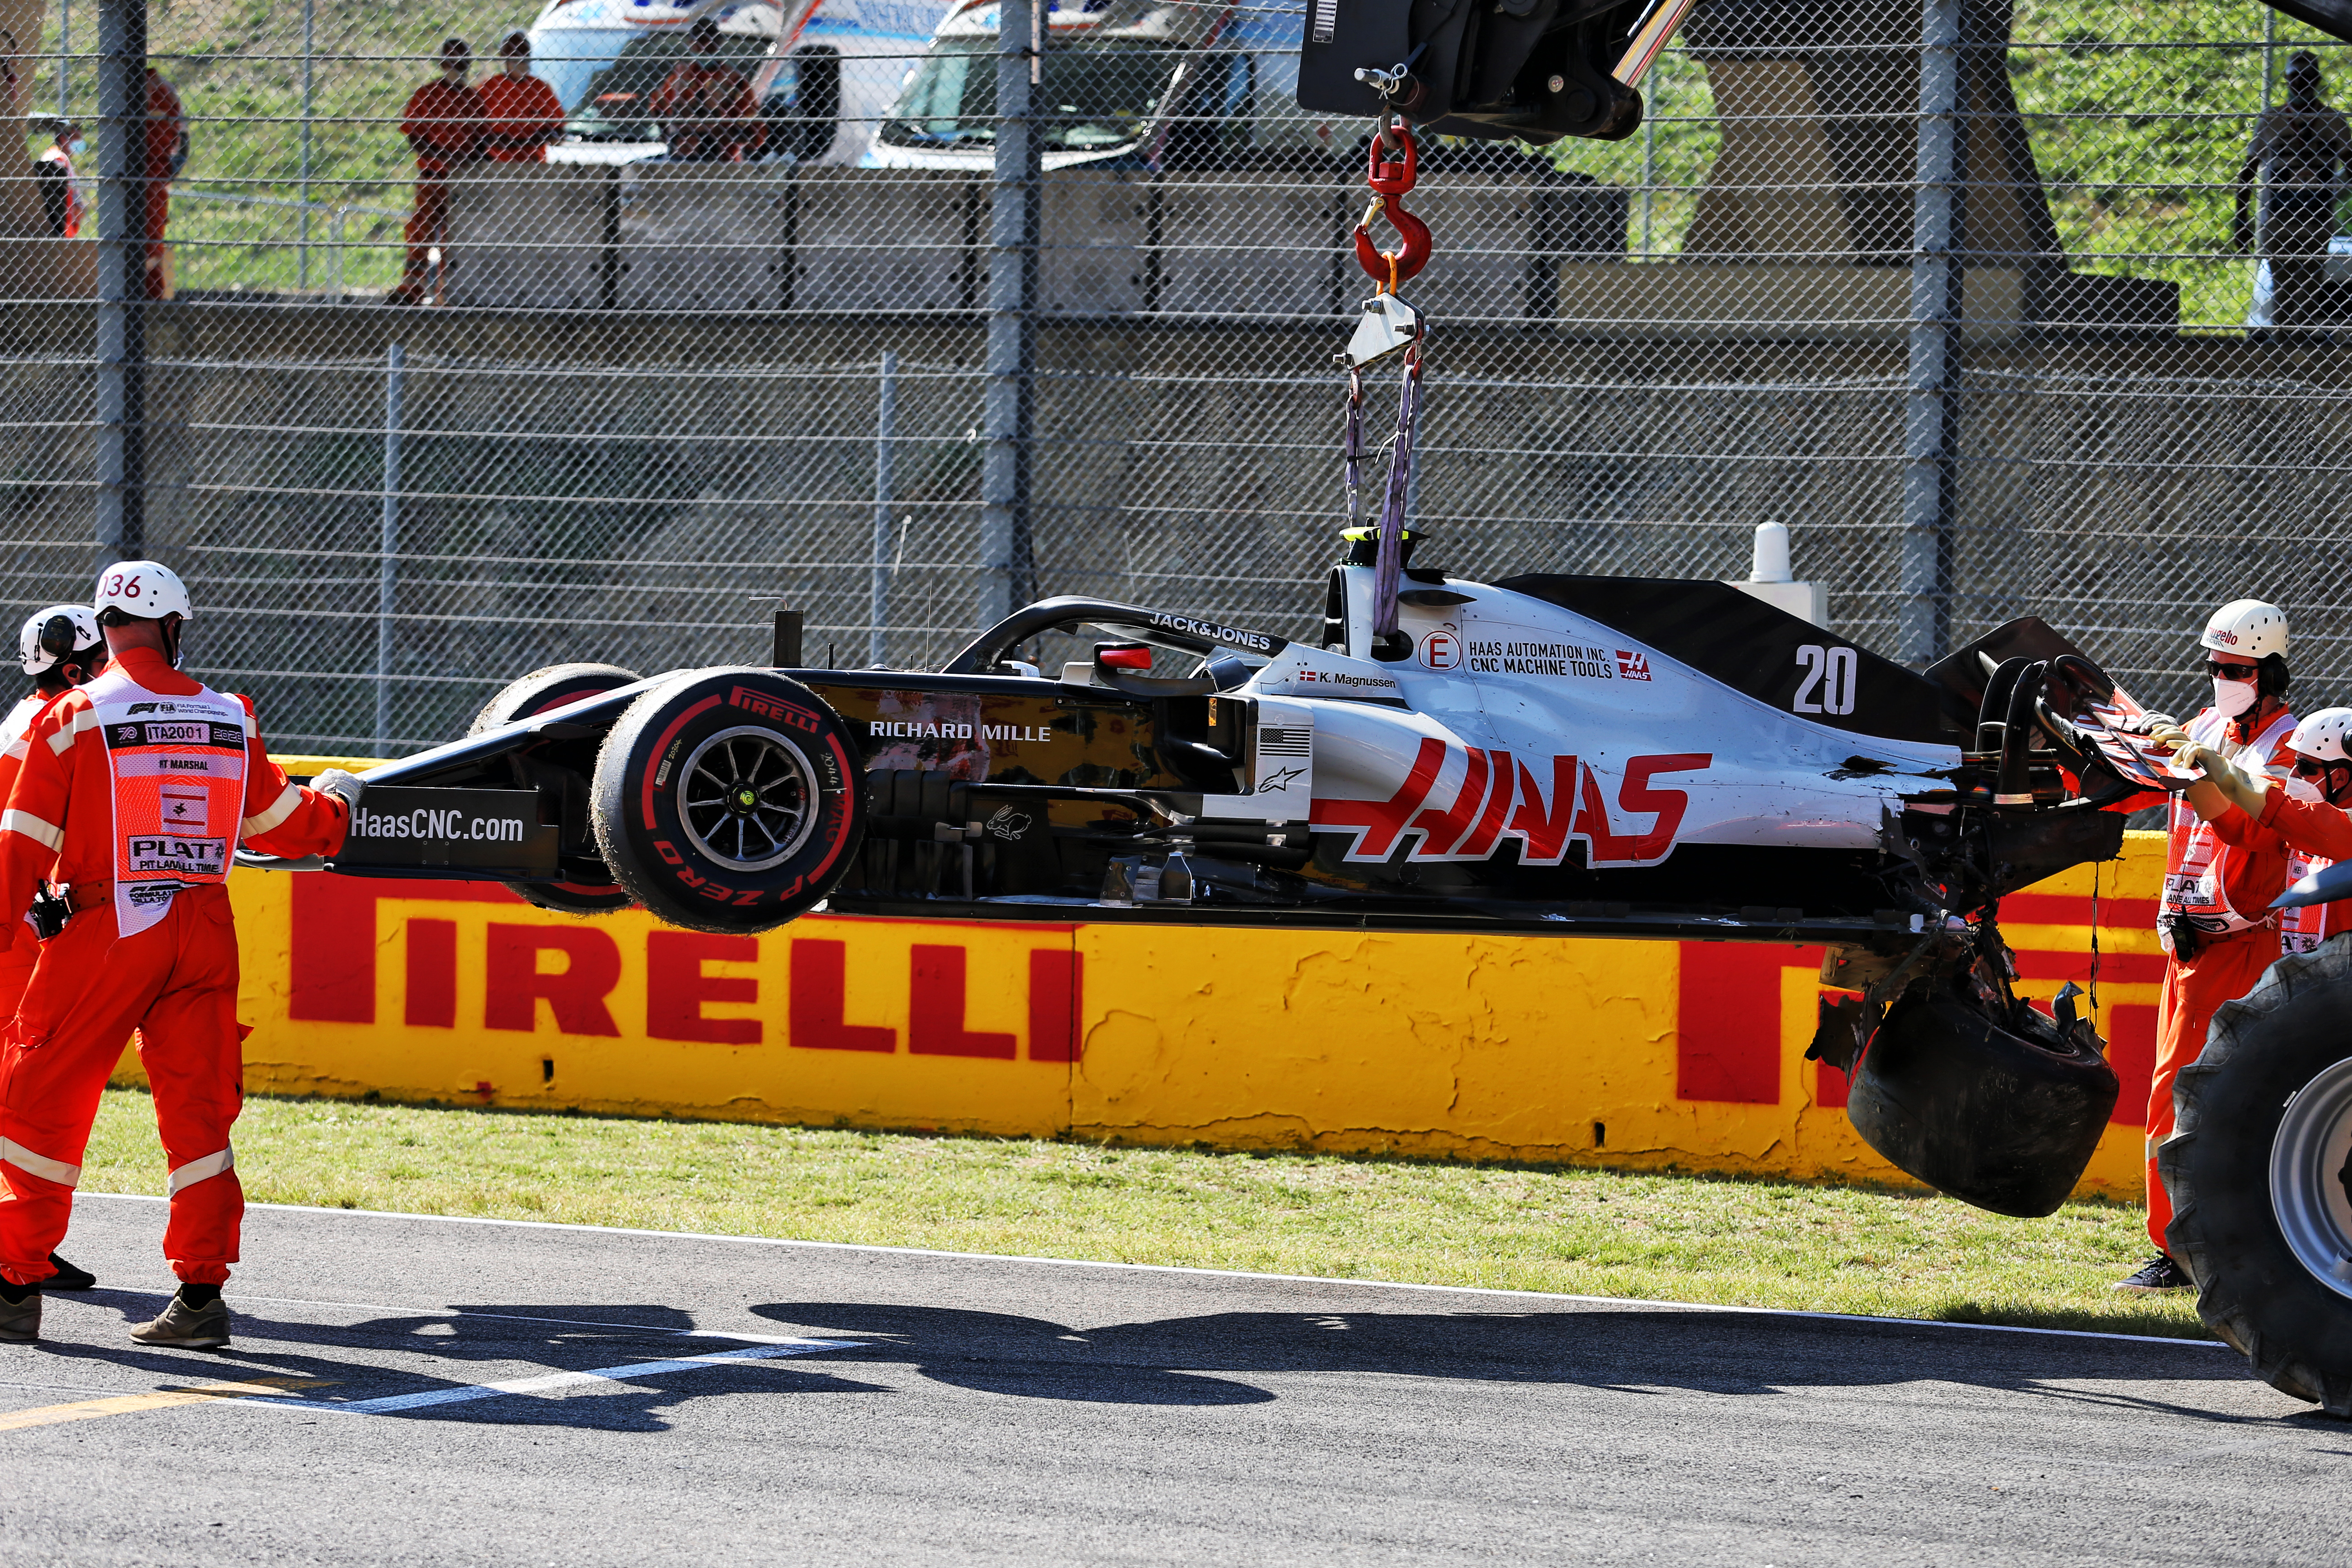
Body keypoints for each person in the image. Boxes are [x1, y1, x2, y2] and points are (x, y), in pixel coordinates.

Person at [0, 563, 351, 1348]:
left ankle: (11, 1284)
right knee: (199, 1116)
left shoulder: (71, 716)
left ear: (105, 626)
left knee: (39, 1100)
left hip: (105, 931)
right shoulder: (231, 716)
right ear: (174, 625)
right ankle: (199, 1297)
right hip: (203, 928)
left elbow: (19, 846)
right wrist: (340, 808)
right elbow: (287, 825)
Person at [2109, 599, 2298, 1295]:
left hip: (2249, 942)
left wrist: (2209, 778)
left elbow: (2259, 837)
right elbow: (2140, 788)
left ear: (2270, 672)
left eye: (2237, 669)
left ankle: (2195, 1247)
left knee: (2214, 1101)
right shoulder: (2203, 726)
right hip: (2189, 945)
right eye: (2214, 666)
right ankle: (2178, 1244)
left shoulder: (2288, 747)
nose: (2222, 678)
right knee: (2171, 1098)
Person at [0, 607, 108, 1297]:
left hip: (21, 919)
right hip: (11, 925)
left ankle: (27, 1243)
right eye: (102, 663)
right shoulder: (43, 729)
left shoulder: (35, 721)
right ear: (73, 669)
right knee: (21, 1090)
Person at [2176, 708, 2352, 955]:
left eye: (2305, 767)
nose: (2294, 775)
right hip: (2312, 973)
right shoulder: (2304, 811)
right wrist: (2196, 776)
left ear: (2342, 777)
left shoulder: (2326, 822)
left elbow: (2297, 816)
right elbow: (2243, 824)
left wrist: (2226, 772)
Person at [2236, 52, 2352, 333]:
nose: (2301, 84)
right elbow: (2248, 172)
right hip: (2278, 220)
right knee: (2284, 292)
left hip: (2316, 219)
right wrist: (2242, 221)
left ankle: (2296, 350)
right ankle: (2285, 351)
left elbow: (2351, 167)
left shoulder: (2333, 121)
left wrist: (2331, 190)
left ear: (2316, 81)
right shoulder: (2273, 118)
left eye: (2307, 78)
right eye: (2296, 78)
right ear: (2287, 80)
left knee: (2309, 294)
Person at [393, 39, 487, 306]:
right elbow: (414, 135)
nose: (458, 67)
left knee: (456, 238)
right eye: (453, 61)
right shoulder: (428, 94)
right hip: (433, 176)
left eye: (463, 62)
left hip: (462, 182)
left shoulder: (472, 99)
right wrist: (443, 154)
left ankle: (447, 294)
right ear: (443, 63)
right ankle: (413, 288)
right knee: (421, 232)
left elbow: (483, 141)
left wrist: (464, 159)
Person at [647, 17, 763, 162]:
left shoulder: (734, 81)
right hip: (681, 158)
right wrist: (670, 134)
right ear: (691, 44)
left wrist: (722, 130)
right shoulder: (678, 78)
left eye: (710, 41)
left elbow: (753, 127)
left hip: (723, 158)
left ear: (718, 43)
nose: (705, 46)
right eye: (700, 41)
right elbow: (658, 107)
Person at [481, 31, 565, 164]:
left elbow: (558, 130)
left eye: (524, 52)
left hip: (534, 162)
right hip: (496, 162)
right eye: (514, 52)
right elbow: (475, 130)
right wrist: (494, 139)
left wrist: (532, 139)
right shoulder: (488, 88)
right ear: (503, 55)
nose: (520, 57)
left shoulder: (540, 88)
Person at [142, 67, 187, 300]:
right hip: (152, 172)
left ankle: (150, 296)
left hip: (151, 173)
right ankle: (150, 295)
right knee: (148, 242)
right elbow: (180, 135)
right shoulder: (160, 90)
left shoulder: (157, 92)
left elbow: (173, 136)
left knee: (148, 243)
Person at [35, 121, 85, 239]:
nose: (79, 143)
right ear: (63, 139)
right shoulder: (56, 158)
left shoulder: (62, 157)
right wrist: (78, 205)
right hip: (59, 217)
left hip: (63, 217)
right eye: (76, 139)